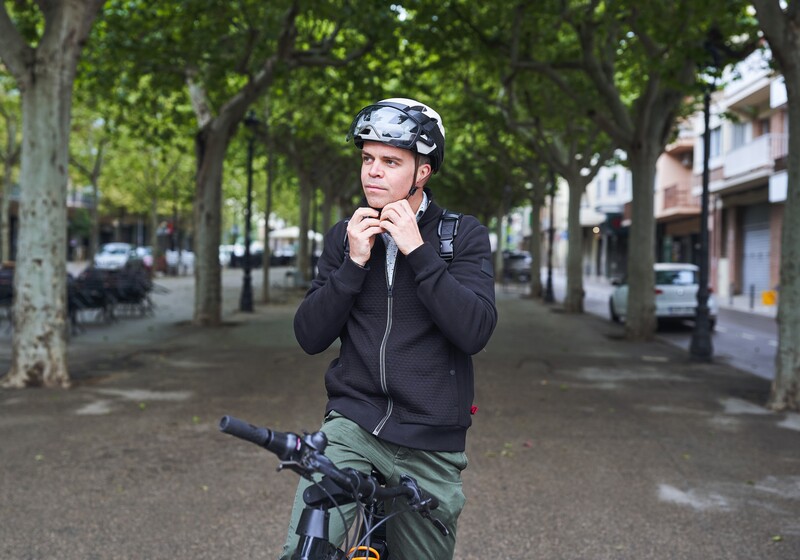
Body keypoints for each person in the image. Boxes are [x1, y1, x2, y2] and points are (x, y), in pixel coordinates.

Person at [283, 98, 498, 559]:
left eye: (390, 161)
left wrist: (419, 253)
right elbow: (308, 336)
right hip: (352, 424)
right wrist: (353, 265)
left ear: (422, 171)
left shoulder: (461, 236)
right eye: (367, 159)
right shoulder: (345, 236)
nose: (372, 172)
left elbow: (475, 331)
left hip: (430, 438)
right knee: (305, 551)